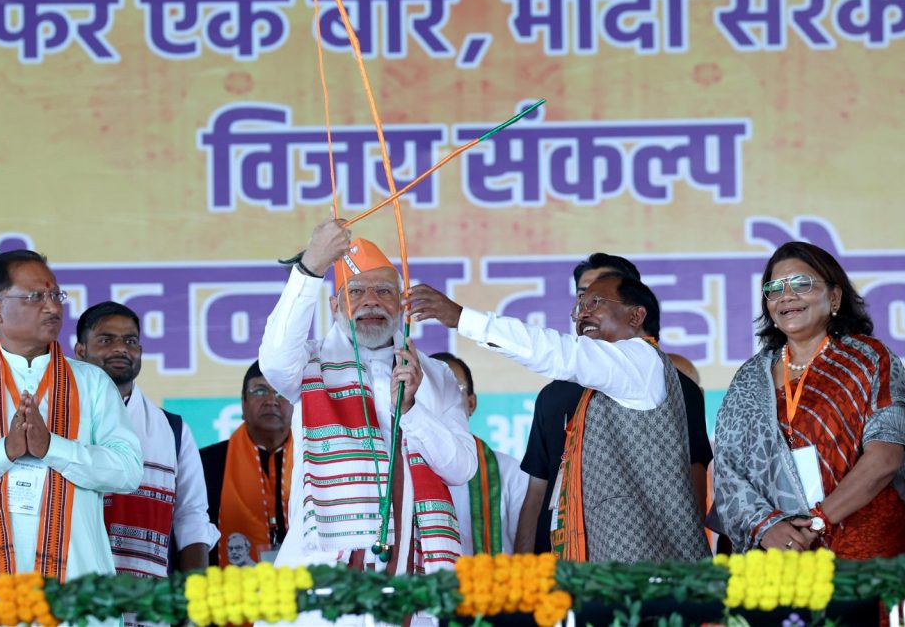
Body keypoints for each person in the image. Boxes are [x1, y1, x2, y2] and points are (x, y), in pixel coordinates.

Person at [407, 272, 709, 563]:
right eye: (579, 307)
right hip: (612, 569)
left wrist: (463, 319)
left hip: (649, 569)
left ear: (635, 316)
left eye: (595, 303)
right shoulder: (600, 386)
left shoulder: (641, 361)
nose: (581, 315)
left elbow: (559, 352)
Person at [258, 220, 476, 575]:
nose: (371, 301)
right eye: (356, 291)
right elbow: (274, 358)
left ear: (402, 303)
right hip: (326, 568)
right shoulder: (310, 365)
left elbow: (462, 468)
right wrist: (311, 267)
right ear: (335, 304)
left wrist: (412, 412)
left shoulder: (436, 375)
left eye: (385, 292)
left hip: (417, 567)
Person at [0, 250, 142, 580]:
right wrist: (4, 452)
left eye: (56, 294)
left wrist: (53, 448)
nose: (53, 307)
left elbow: (128, 472)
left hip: (78, 589)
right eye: (36, 296)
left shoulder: (92, 383)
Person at [713, 241, 905, 557]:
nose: (786, 296)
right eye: (774, 289)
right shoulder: (749, 378)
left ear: (835, 297)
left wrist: (817, 522)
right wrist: (766, 526)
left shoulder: (869, 360)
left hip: (863, 542)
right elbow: (729, 469)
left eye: (801, 284)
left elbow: (884, 457)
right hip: (779, 548)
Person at [515, 253, 713, 554]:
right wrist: (523, 570)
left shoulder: (672, 384)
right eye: (583, 297)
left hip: (638, 561)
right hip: (556, 563)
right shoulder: (554, 395)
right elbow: (537, 490)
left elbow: (692, 478)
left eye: (598, 298)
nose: (586, 310)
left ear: (635, 310)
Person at [75, 301, 219, 576]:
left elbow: (191, 516)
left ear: (139, 351)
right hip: (74, 596)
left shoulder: (172, 428)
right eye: (106, 340)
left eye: (130, 341)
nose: (120, 348)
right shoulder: (56, 421)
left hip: (148, 601)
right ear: (81, 351)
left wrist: (191, 599)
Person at [430, 352, 528, 555]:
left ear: (471, 404)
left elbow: (527, 554)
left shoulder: (509, 471)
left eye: (453, 390)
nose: (442, 401)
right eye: (430, 390)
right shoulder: (400, 470)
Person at [200, 361, 294, 567]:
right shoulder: (205, 464)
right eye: (260, 391)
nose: (271, 401)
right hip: (226, 589)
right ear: (242, 404)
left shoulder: (315, 463)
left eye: (282, 393)